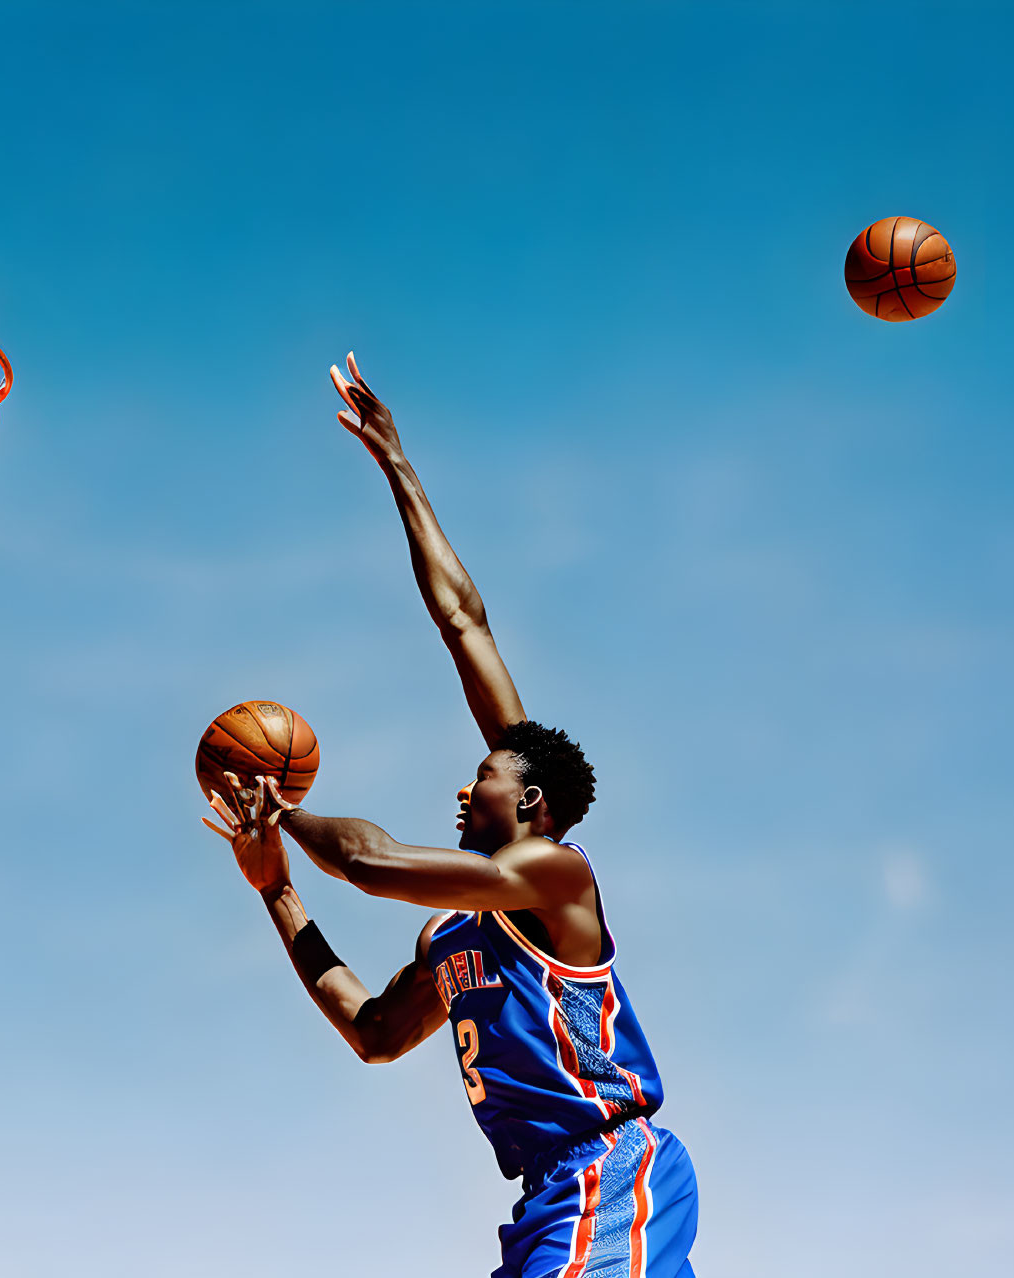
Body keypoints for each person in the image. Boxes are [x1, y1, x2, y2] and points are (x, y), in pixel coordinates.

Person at [204, 353, 698, 1278]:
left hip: (612, 1174)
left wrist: (285, 818)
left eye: (485, 777)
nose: (465, 788)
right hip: (546, 1202)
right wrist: (273, 892)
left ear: (535, 803)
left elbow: (369, 862)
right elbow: (373, 1034)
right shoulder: (453, 939)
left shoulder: (555, 876)